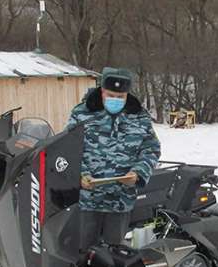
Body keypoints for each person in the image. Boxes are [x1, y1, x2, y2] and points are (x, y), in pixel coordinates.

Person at [65, 67, 161, 248]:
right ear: (101, 91)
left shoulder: (139, 116)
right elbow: (66, 149)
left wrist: (138, 173)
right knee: (82, 253)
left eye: (120, 97)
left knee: (113, 254)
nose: (115, 100)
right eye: (110, 95)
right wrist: (80, 175)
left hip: (120, 200)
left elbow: (151, 149)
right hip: (87, 200)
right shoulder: (82, 114)